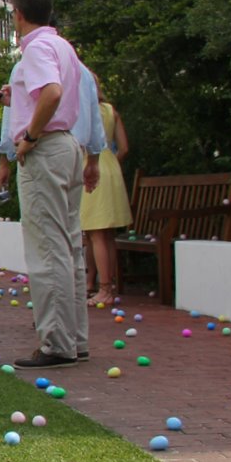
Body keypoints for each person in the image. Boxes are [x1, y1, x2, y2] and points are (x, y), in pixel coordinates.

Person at [0, 0, 99, 371]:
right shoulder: (61, 46)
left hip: (46, 149)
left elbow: (51, 93)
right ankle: (75, 338)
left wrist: (29, 137)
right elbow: (53, 92)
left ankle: (56, 342)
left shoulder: (35, 48)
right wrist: (15, 95)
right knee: (69, 246)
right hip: (69, 146)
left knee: (47, 246)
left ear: (18, 14)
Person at [81, 74, 131, 301]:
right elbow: (124, 148)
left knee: (96, 233)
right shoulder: (111, 111)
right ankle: (102, 284)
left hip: (90, 167)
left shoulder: (83, 112)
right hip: (111, 167)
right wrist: (112, 164)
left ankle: (103, 288)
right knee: (106, 233)